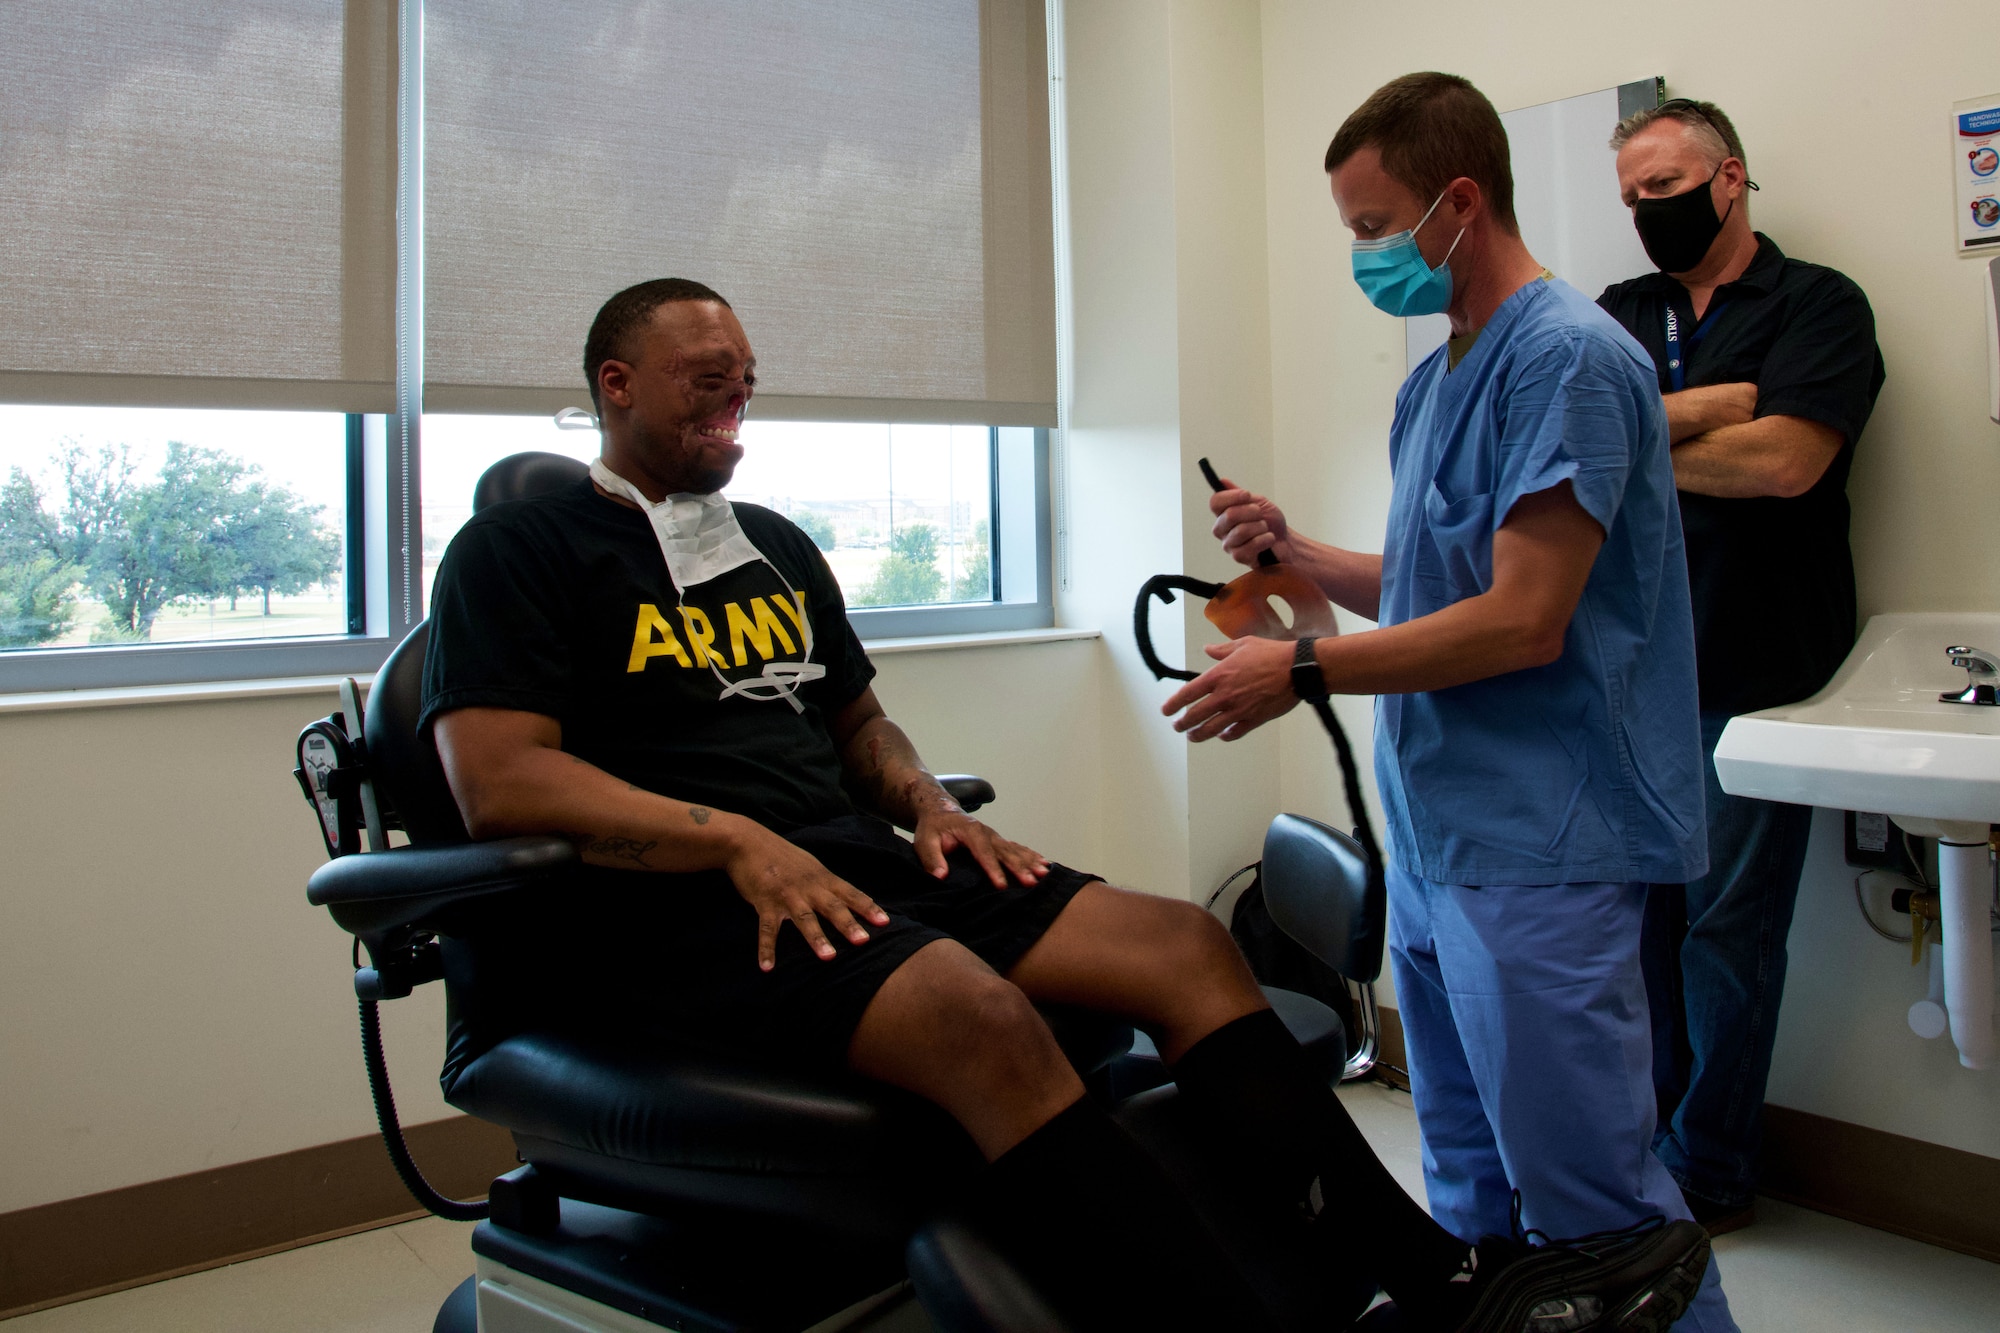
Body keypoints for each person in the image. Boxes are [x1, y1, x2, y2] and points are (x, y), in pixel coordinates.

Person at [420, 276, 1710, 1333]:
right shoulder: (516, 554)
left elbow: (857, 722)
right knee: (980, 1014)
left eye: (746, 378)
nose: (737, 401)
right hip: (679, 910)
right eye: (708, 380)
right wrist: (736, 838)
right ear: (615, 385)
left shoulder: (769, 545)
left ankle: (1439, 1285)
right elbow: (501, 779)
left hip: (846, 866)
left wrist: (925, 801)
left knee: (1181, 944)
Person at [1168, 73, 1736, 1331]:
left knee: (1596, 1210)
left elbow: (1522, 618)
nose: (1363, 256)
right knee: (1469, 1180)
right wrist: (1302, 557)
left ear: (1457, 204)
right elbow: (1437, 582)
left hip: (1545, 839)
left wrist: (1297, 669)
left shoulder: (1572, 360)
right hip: (1440, 839)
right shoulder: (1435, 381)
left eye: (1373, 227)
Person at [1598, 99, 1885, 1235]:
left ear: (1730, 181)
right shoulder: (1619, 313)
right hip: (1630, 672)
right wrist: (1709, 406)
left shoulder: (1817, 304)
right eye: (1628, 199)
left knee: (1724, 930)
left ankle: (1706, 1170)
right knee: (1643, 928)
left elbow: (1782, 464)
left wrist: (1646, 433)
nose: (1642, 215)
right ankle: (1648, 1146)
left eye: (1661, 189)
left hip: (1761, 668)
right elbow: (1571, 447)